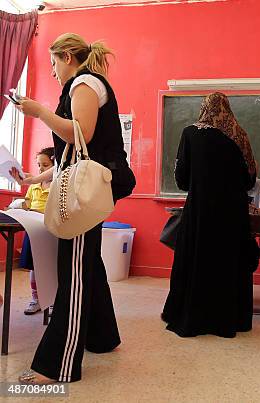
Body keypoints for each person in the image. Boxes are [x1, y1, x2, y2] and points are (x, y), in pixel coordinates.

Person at [15, 33, 134, 383]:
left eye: (53, 62)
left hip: (84, 197)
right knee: (88, 264)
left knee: (75, 273)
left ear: (67, 56)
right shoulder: (83, 84)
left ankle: (58, 367)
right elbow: (74, 157)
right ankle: (103, 336)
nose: (52, 70)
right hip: (88, 188)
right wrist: (35, 180)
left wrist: (39, 112)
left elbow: (78, 134)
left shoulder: (83, 82)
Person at [162, 92, 258, 338]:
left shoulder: (191, 134)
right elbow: (250, 178)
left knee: (197, 258)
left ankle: (192, 316)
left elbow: (182, 178)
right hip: (233, 212)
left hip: (201, 210)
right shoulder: (239, 134)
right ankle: (230, 319)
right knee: (229, 260)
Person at [10, 147, 54, 315]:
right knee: (33, 266)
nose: (41, 168)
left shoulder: (58, 184)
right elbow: (27, 203)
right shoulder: (34, 184)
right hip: (32, 229)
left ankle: (53, 302)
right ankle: (36, 299)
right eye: (39, 165)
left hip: (50, 230)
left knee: (51, 266)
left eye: (46, 164)